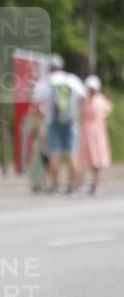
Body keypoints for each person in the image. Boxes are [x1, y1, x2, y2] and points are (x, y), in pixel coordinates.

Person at [32, 54, 85, 193]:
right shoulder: (72, 79)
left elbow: (36, 106)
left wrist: (39, 123)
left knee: (54, 155)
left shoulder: (45, 83)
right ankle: (73, 186)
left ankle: (54, 186)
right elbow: (84, 99)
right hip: (71, 122)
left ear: (49, 68)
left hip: (52, 122)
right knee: (72, 154)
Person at [79, 75, 113, 194]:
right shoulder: (92, 100)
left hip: (92, 132)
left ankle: (92, 183)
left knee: (94, 159)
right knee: (88, 158)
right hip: (92, 132)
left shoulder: (89, 100)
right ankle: (86, 182)